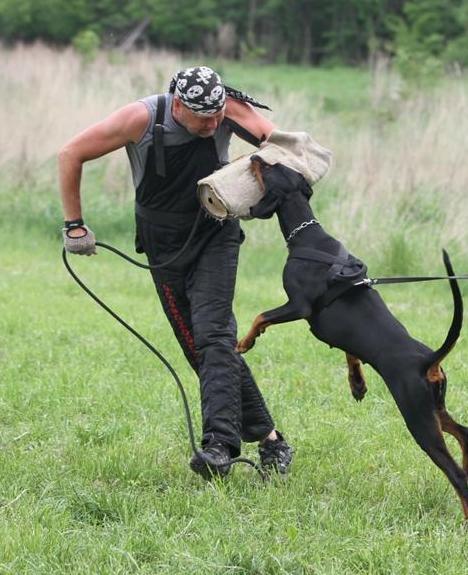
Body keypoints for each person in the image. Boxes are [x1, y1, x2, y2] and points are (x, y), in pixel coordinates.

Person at [58, 66, 293, 480]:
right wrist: (73, 224)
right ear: (179, 105)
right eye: (204, 118)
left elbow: (280, 147)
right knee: (195, 345)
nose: (214, 124)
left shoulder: (227, 110)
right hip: (163, 242)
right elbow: (70, 153)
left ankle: (219, 446)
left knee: (214, 333)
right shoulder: (142, 119)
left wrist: (267, 172)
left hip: (214, 232)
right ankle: (271, 440)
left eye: (219, 116)